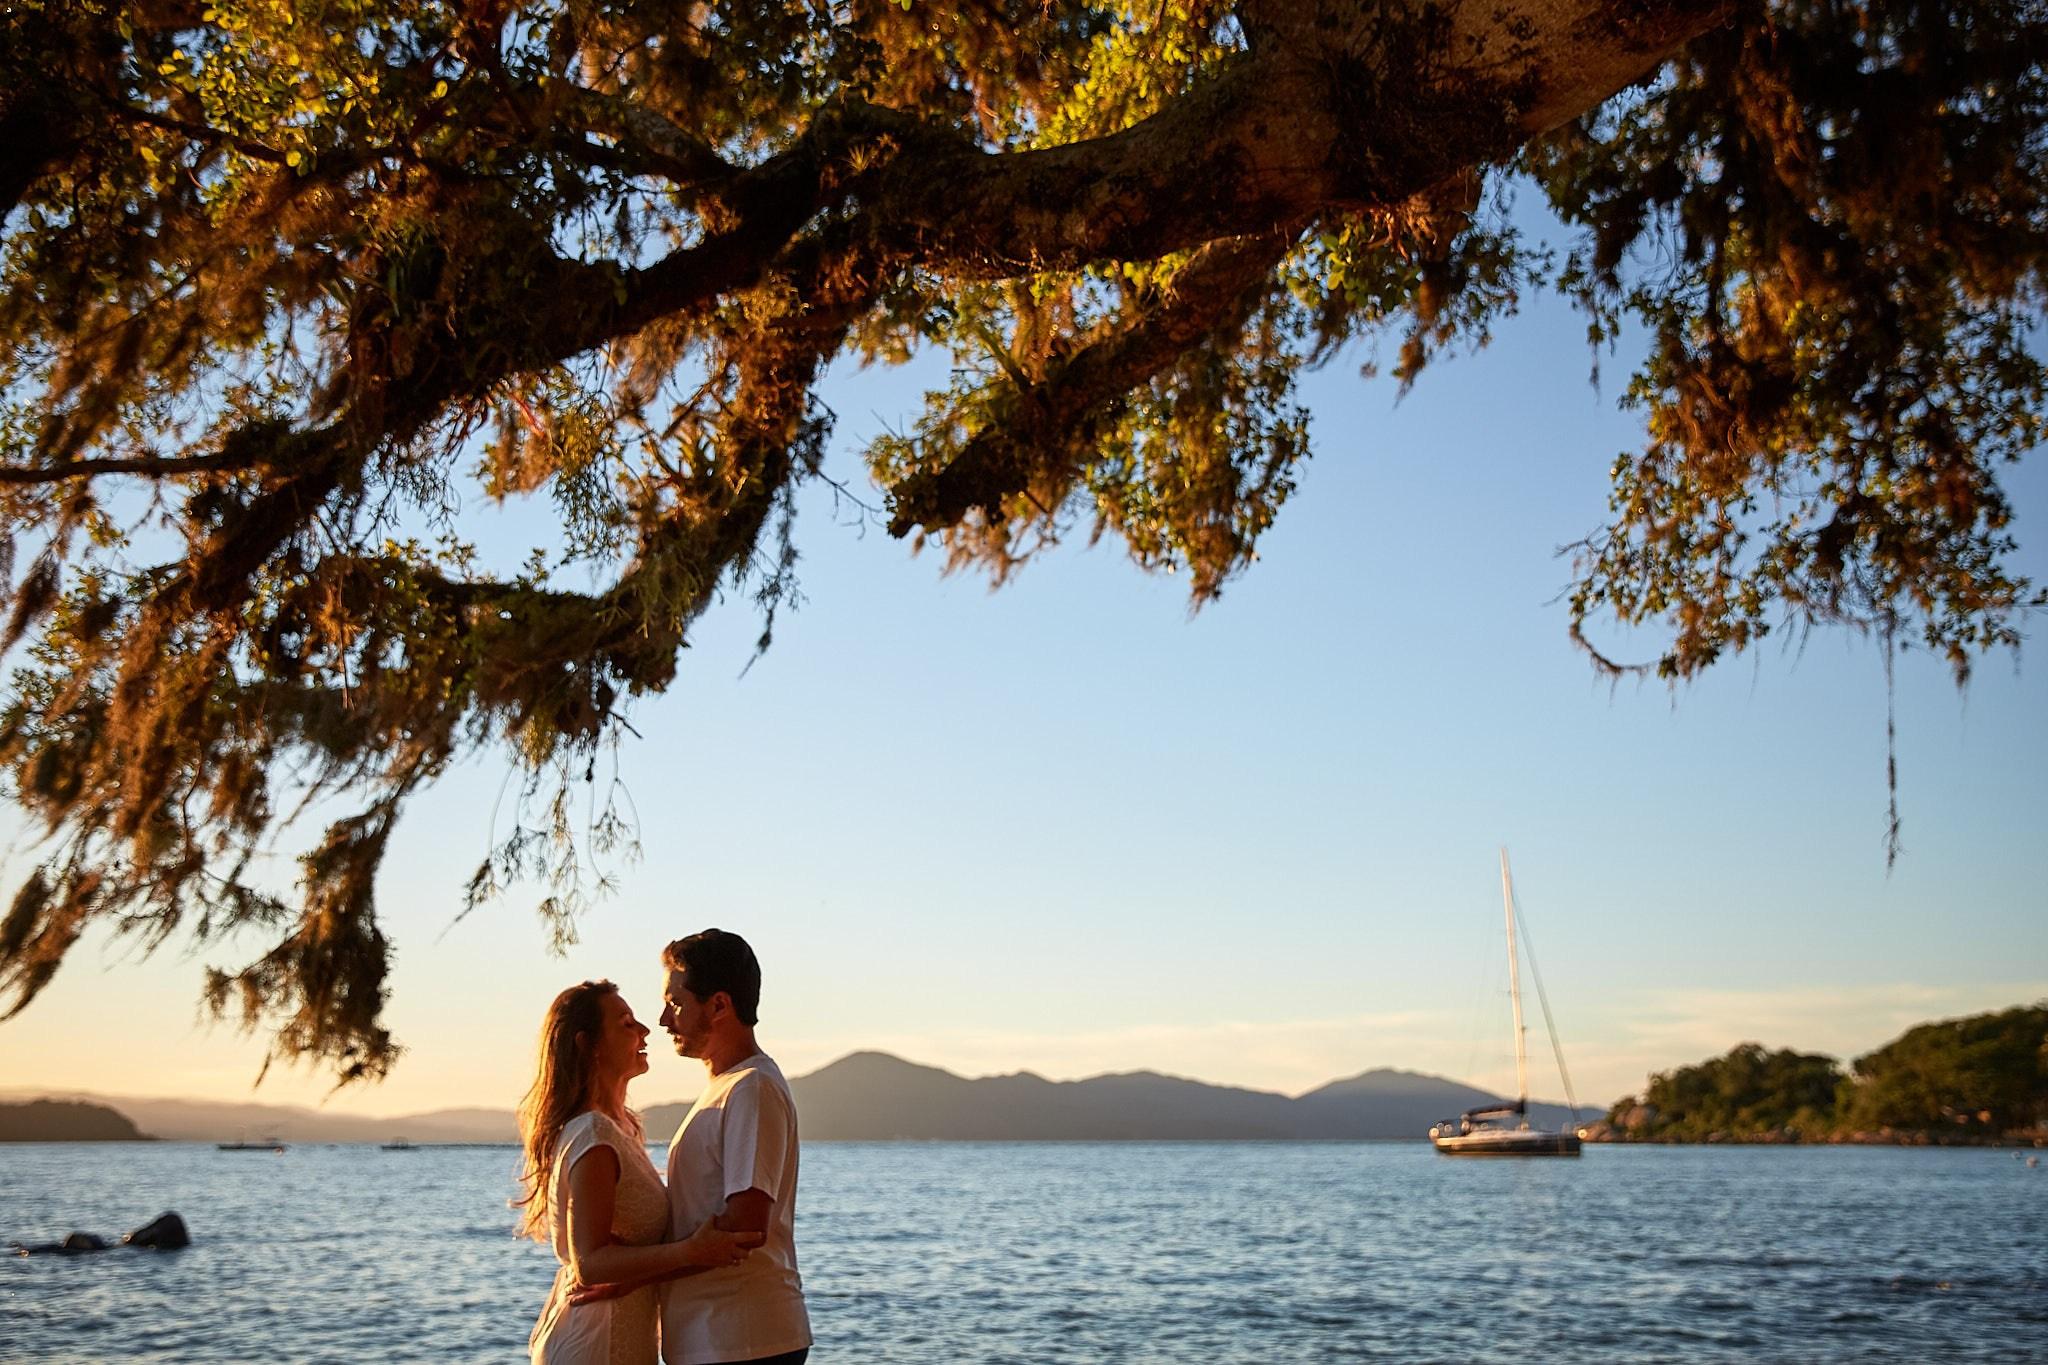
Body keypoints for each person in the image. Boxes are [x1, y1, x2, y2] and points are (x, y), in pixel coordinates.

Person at [519, 980, 764, 1365]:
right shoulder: (594, 1135)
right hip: (596, 1341)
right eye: (626, 1023)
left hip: (624, 1333)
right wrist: (691, 1252)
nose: (645, 1030)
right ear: (589, 1043)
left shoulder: (623, 1129)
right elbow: (589, 1264)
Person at [658, 929, 813, 1365]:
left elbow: (745, 1226)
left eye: (675, 1004)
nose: (664, 1020)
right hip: (716, 1336)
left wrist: (634, 1271)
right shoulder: (726, 1087)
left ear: (719, 1005)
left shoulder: (752, 1088)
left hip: (743, 1338)